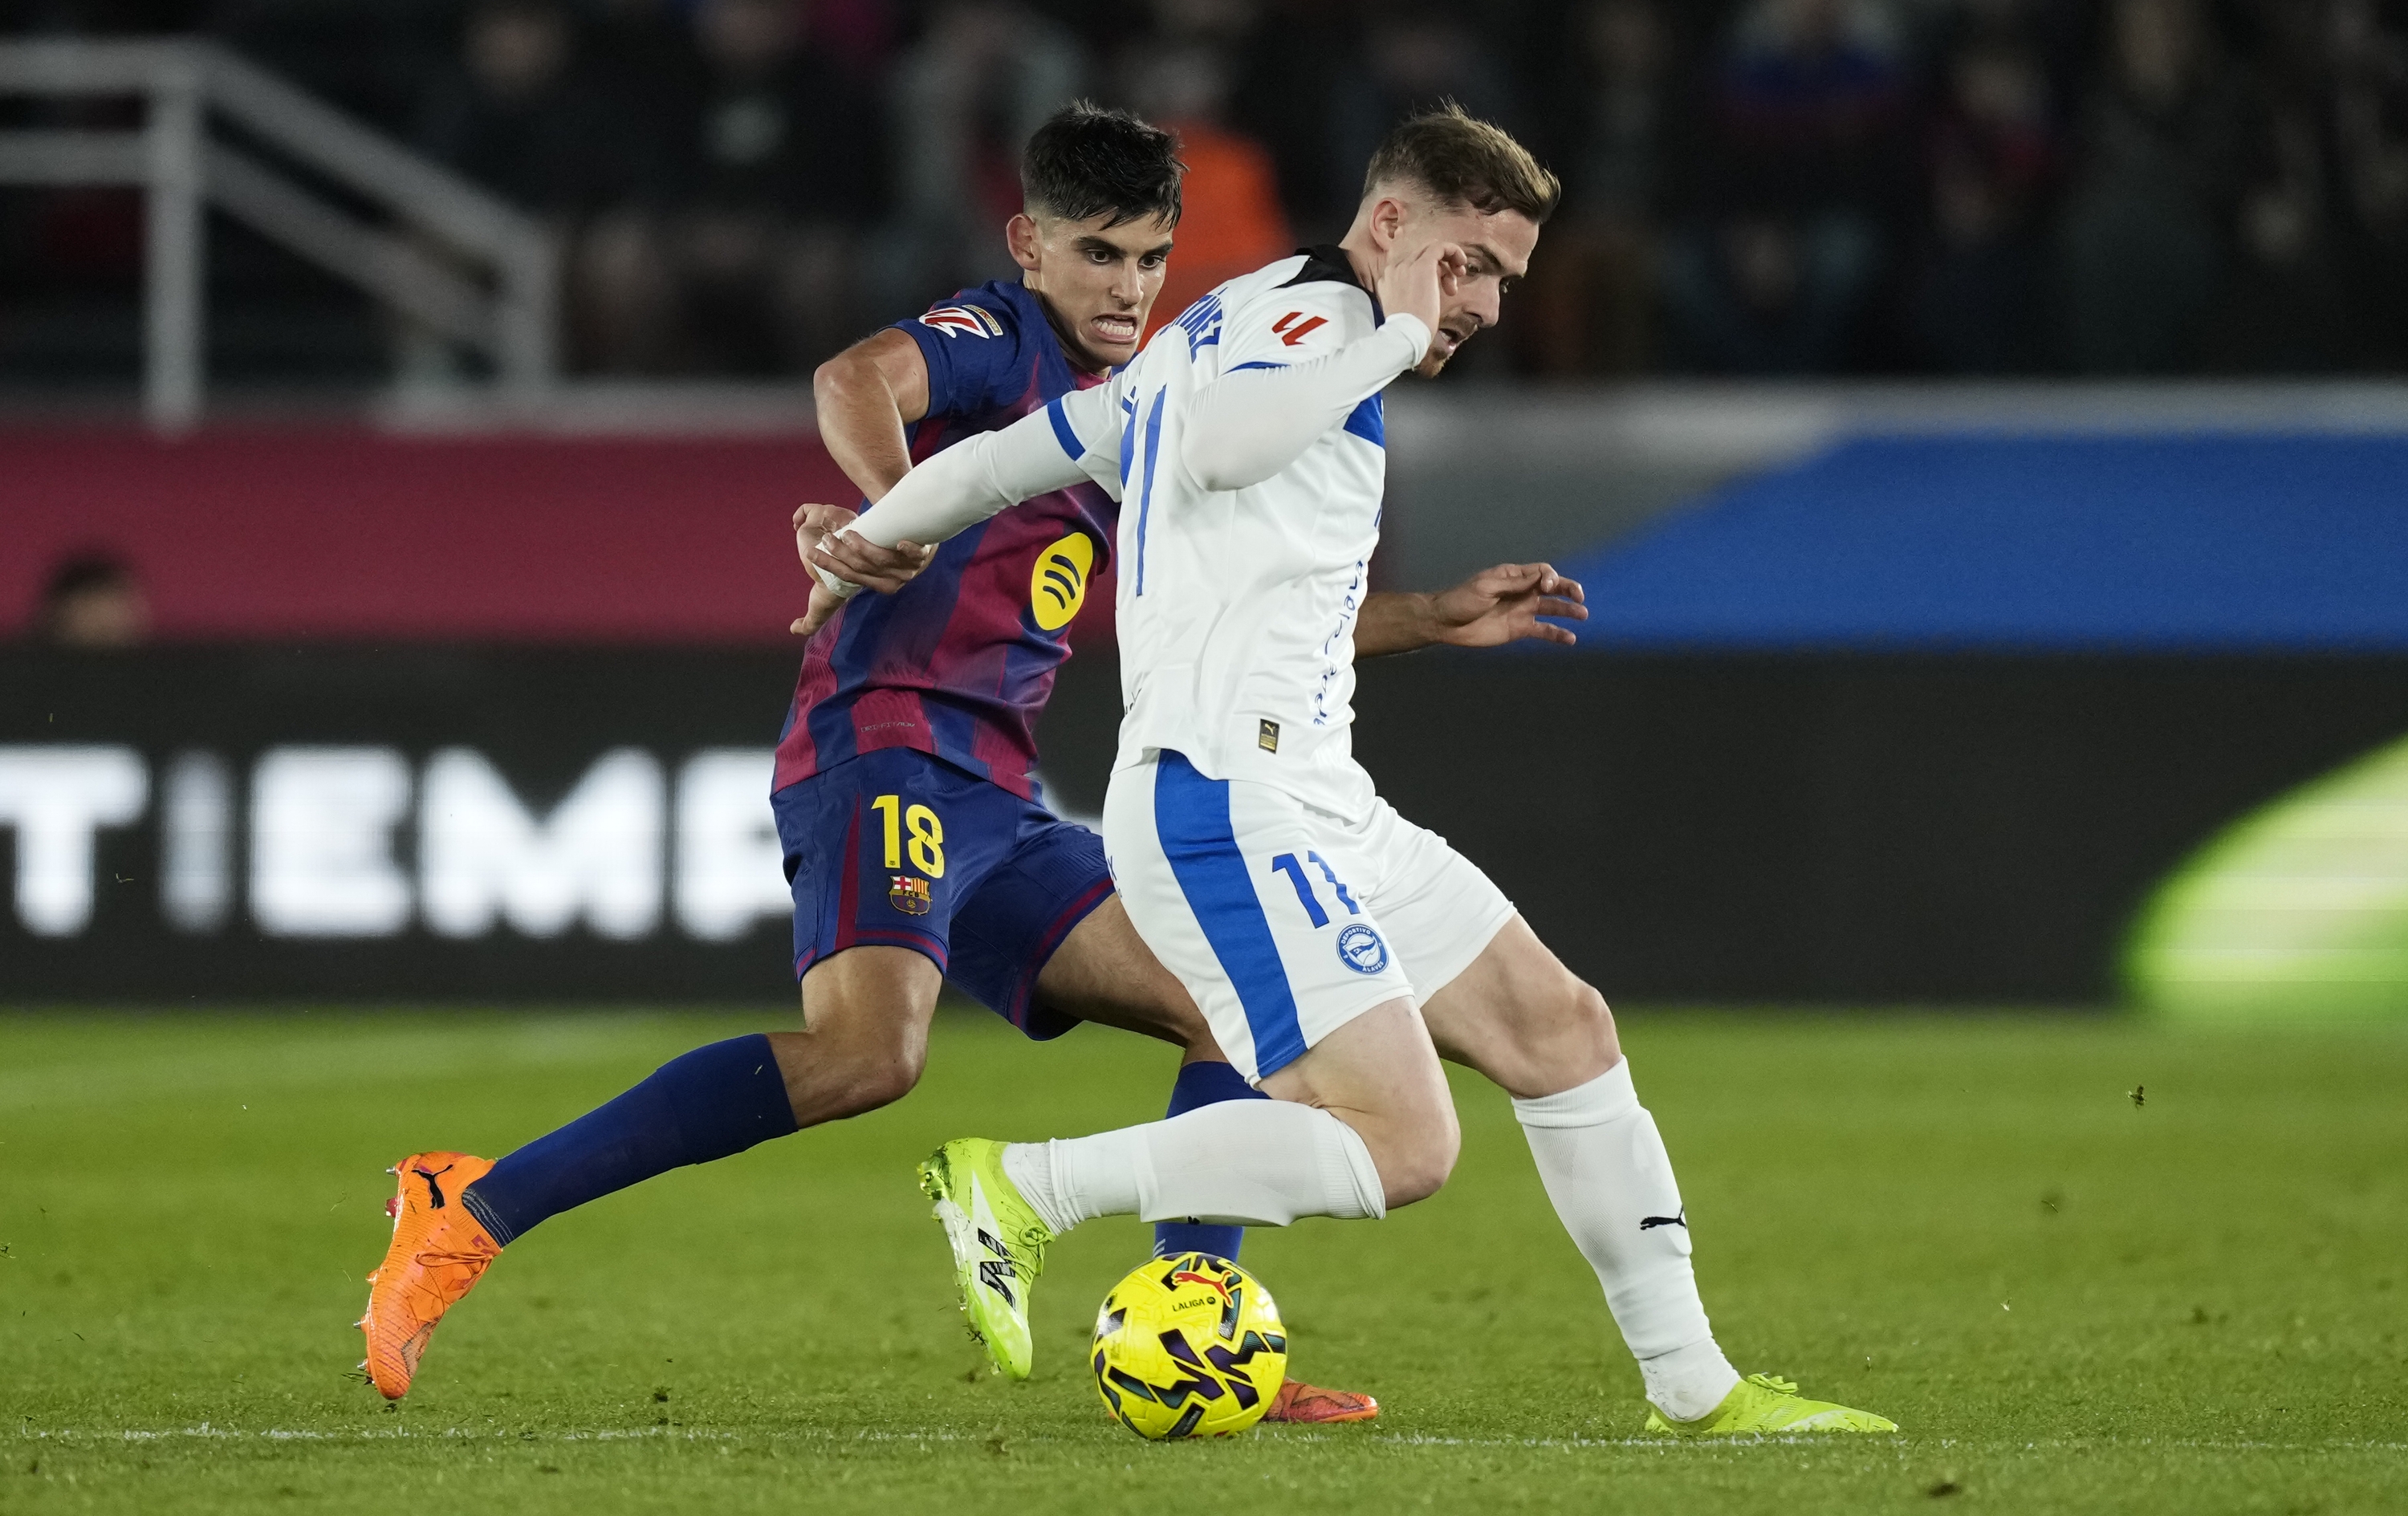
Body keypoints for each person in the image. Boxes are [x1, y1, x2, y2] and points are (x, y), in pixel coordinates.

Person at [359, 103, 1563, 1421]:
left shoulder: (1139, 400)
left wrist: (1433, 615)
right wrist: (890, 512)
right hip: (878, 745)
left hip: (996, 786)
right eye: (1098, 255)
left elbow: (1273, 613)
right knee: (870, 1057)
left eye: (1150, 259)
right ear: (1029, 245)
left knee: (1232, 1006)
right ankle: (470, 1203)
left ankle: (1197, 1323)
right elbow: (852, 380)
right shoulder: (996, 341)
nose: (1127, 288)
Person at [799, 104, 1898, 1437]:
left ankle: (1695, 1386)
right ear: (1389, 228)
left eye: (1504, 278)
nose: (1484, 305)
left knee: (1562, 1028)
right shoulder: (1320, 331)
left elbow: (1004, 459)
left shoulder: (1233, 321)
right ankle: (1028, 1186)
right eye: (1469, 264)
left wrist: (873, 533)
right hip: (1224, 803)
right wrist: (1389, 333)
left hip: (1317, 796)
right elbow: (1219, 449)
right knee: (1408, 1146)